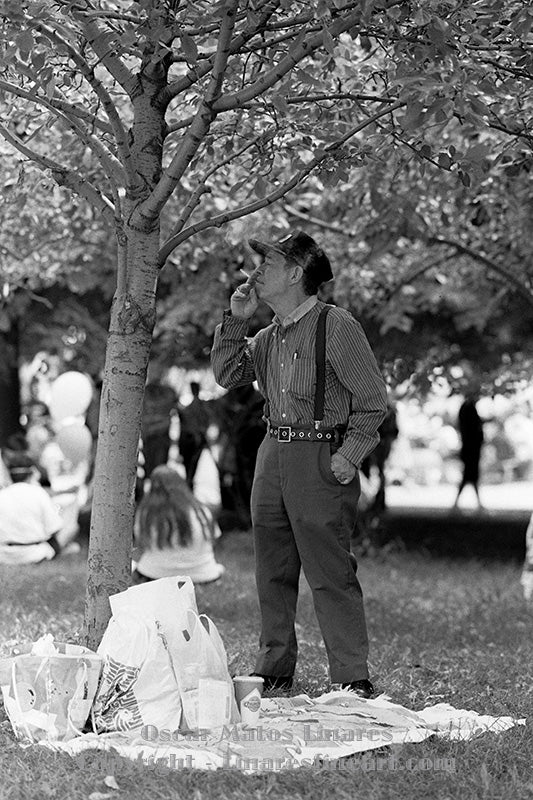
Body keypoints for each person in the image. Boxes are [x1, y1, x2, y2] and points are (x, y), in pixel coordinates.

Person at [211, 229, 387, 697]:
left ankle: (352, 676)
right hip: (273, 452)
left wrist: (349, 456)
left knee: (330, 570)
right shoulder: (267, 336)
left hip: (319, 455)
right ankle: (274, 666)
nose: (256, 271)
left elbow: (372, 402)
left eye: (267, 263)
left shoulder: (337, 326)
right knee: (271, 567)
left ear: (295, 273)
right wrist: (236, 322)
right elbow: (228, 375)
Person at [132, 465, 225, 584]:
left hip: (155, 575)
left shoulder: (145, 513)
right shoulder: (201, 510)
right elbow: (214, 539)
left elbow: (141, 544)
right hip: (204, 575)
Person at [0, 452, 69, 565]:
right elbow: (54, 528)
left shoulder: (2, 494)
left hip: (4, 555)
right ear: (32, 473)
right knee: (70, 525)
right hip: (34, 553)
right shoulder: (38, 493)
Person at [453, 391, 484, 509]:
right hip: (470, 449)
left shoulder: (467, 408)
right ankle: (475, 502)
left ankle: (474, 501)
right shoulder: (467, 409)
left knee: (470, 475)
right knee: (470, 475)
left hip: (471, 448)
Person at [178, 381, 210, 489]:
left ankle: (189, 481)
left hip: (195, 439)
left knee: (192, 464)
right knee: (190, 464)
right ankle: (189, 481)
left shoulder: (200, 406)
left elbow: (204, 422)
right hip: (190, 439)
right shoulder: (194, 406)